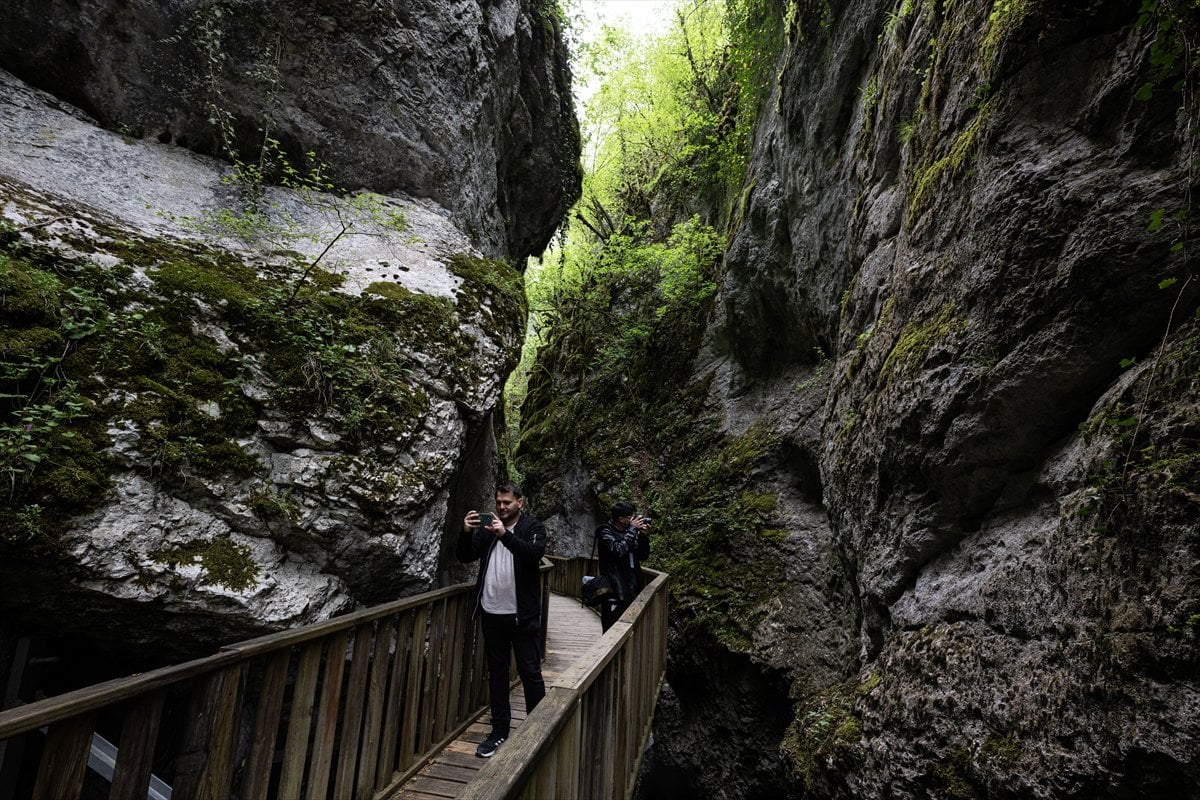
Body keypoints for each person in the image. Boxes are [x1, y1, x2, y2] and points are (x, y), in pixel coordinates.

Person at [458, 482, 547, 758]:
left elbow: (534, 555)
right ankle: (499, 732)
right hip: (491, 613)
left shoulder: (533, 527)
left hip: (522, 616)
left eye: (507, 502)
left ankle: (538, 730)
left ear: (520, 502)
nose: (501, 507)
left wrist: (504, 535)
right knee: (496, 675)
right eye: (498, 502)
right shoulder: (488, 529)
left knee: (530, 673)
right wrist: (466, 532)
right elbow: (465, 556)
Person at [595, 501, 651, 632]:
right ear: (621, 519)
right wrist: (632, 531)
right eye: (630, 516)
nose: (634, 519)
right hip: (614, 586)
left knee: (629, 626)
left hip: (632, 584)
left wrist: (643, 537)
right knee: (611, 625)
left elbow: (643, 556)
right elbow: (618, 550)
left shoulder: (629, 533)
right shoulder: (605, 531)